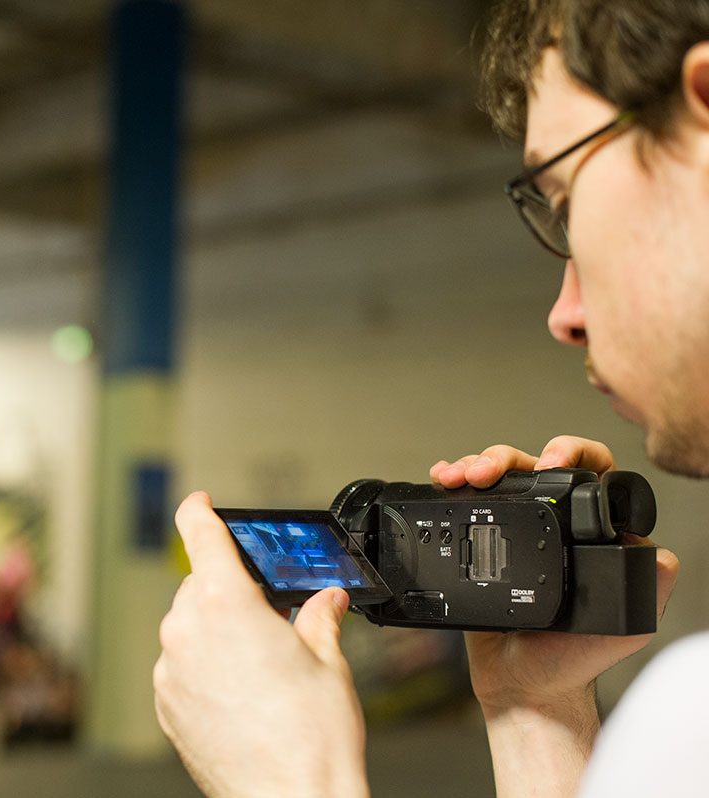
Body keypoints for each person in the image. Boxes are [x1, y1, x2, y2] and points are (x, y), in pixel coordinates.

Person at [153, 1, 709, 795]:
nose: (564, 314)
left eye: (568, 204)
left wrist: (292, 778)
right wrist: (533, 703)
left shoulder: (691, 718)